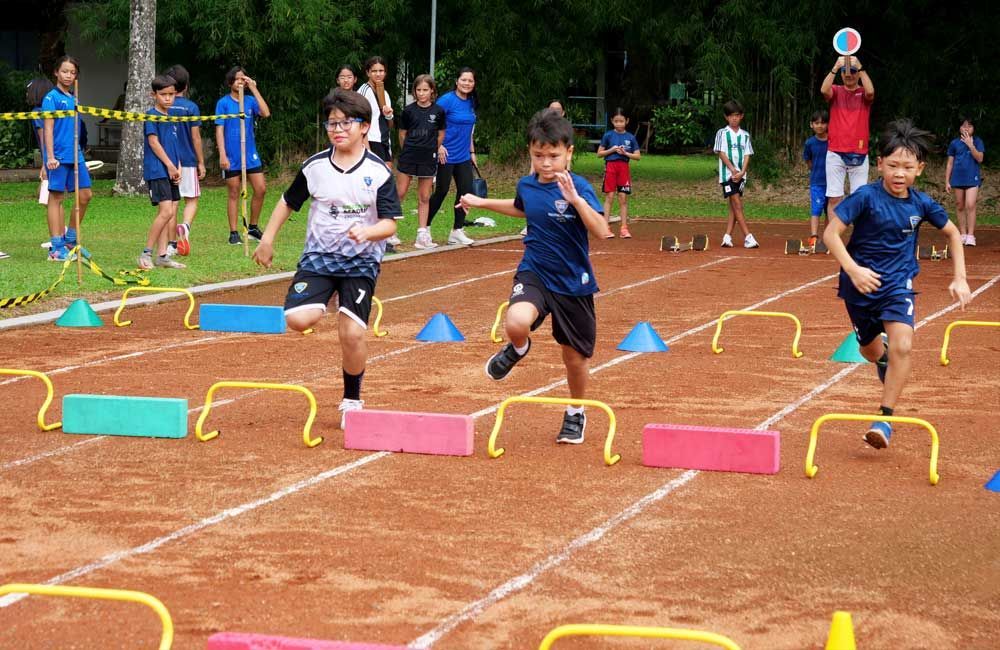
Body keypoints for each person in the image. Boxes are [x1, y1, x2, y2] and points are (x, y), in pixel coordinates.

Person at [252, 89, 401, 428]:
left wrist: (369, 232)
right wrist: (268, 239)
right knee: (298, 319)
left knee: (350, 334)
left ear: (364, 127)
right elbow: (288, 202)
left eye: (346, 123)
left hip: (361, 261)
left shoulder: (378, 172)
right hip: (319, 257)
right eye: (332, 123)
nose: (337, 129)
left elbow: (390, 223)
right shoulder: (315, 167)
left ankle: (351, 399)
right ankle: (327, 296)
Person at [458, 110, 607, 444]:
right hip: (536, 270)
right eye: (539, 155)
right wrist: (480, 202)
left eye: (553, 156)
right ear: (531, 153)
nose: (546, 163)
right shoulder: (527, 184)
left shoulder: (579, 186)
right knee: (515, 322)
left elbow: (601, 231)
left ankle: (575, 412)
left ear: (568, 153)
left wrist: (575, 200)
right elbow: (522, 207)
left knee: (574, 359)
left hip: (573, 282)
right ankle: (519, 348)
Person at [823, 119, 970, 449]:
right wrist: (854, 269)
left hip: (897, 285)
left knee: (904, 344)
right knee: (871, 350)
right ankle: (883, 357)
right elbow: (831, 234)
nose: (899, 173)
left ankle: (884, 419)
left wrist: (959, 278)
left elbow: (952, 234)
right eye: (892, 166)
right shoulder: (865, 197)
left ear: (919, 168)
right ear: (879, 165)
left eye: (907, 166)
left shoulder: (921, 204)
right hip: (858, 286)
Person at [42, 56, 92, 261]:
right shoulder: (50, 98)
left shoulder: (74, 98)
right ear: (56, 72)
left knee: (85, 195)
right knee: (56, 198)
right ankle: (55, 248)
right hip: (59, 156)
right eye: (65, 71)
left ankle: (71, 239)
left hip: (75, 154)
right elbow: (48, 128)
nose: (69, 76)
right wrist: (50, 157)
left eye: (72, 72)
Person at [215, 65, 270, 245]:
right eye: (238, 78)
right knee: (234, 191)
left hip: (250, 153)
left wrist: (254, 87)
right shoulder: (223, 103)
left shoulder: (249, 100)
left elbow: (265, 113)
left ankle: (252, 227)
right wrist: (222, 154)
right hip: (231, 154)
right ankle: (233, 232)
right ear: (231, 81)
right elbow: (219, 129)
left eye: (243, 78)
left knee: (260, 188)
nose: (241, 81)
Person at [138, 74, 186, 270]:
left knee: (171, 212)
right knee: (165, 212)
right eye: (163, 94)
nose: (168, 98)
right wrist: (169, 165)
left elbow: (174, 144)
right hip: (158, 169)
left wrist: (178, 165)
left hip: (172, 169)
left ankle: (163, 256)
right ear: (154, 94)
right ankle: (145, 254)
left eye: (171, 94)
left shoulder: (172, 117)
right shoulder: (151, 115)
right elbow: (154, 142)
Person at [427, 67, 479, 246]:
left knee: (466, 192)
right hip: (446, 154)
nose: (467, 83)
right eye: (463, 80)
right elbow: (432, 124)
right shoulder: (446, 100)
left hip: (463, 155)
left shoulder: (471, 101)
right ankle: (424, 229)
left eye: (470, 81)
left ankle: (457, 231)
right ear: (457, 81)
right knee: (441, 191)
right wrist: (438, 146)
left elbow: (469, 131)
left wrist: (472, 152)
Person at [821, 54, 874, 222]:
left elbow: (871, 91)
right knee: (834, 198)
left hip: (859, 152)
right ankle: (833, 239)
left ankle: (858, 241)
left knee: (859, 199)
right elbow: (824, 90)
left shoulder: (863, 93)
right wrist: (835, 68)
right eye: (845, 71)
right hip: (835, 152)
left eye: (852, 70)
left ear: (858, 72)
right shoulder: (836, 91)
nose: (849, 74)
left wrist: (860, 66)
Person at [397, 74, 446, 250]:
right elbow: (402, 134)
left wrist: (431, 149)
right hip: (409, 156)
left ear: (432, 91)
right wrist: (409, 149)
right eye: (419, 90)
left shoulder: (439, 111)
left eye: (425, 90)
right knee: (400, 193)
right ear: (414, 92)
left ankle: (422, 234)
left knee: (424, 196)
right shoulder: (408, 111)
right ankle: (389, 232)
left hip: (428, 158)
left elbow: (440, 134)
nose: (422, 93)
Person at [163, 64, 205, 256]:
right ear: (186, 86)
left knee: (172, 202)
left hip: (168, 161)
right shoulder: (191, 107)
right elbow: (196, 137)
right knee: (192, 199)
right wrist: (201, 162)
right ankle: (185, 226)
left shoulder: (164, 106)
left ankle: (171, 244)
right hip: (188, 160)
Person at [713, 100, 758, 248]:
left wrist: (743, 171)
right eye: (731, 115)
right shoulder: (722, 133)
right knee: (737, 204)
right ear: (726, 117)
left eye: (737, 115)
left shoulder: (745, 135)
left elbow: (747, 154)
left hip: (740, 176)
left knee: (734, 205)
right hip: (728, 175)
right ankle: (748, 236)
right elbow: (721, 152)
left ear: (741, 116)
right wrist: (732, 170)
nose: (734, 118)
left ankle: (727, 237)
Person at [596, 108, 641, 238]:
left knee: (623, 198)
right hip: (610, 167)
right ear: (612, 121)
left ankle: (624, 228)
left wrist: (625, 153)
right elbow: (599, 153)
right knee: (609, 196)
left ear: (626, 121)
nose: (619, 124)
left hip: (623, 168)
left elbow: (638, 156)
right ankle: (605, 227)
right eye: (616, 121)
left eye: (621, 121)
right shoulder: (608, 135)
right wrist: (612, 150)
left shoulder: (630, 137)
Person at [945, 117, 985, 246]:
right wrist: (947, 181)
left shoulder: (978, 141)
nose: (966, 128)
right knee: (959, 205)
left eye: (969, 126)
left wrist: (970, 145)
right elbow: (950, 163)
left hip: (972, 177)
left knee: (970, 204)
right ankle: (962, 234)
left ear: (974, 129)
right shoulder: (954, 143)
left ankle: (971, 235)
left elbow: (980, 158)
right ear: (960, 128)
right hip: (957, 178)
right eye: (963, 126)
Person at [27, 77, 54, 238]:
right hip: (54, 157)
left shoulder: (38, 113)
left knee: (51, 198)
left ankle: (59, 236)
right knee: (48, 197)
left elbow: (45, 139)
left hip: (51, 159)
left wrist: (45, 164)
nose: (26, 94)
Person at [802, 109, 830, 247]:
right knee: (816, 209)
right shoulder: (810, 143)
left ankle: (828, 239)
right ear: (811, 125)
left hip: (832, 183)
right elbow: (808, 160)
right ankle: (814, 237)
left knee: (829, 211)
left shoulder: (833, 141)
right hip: (817, 182)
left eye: (823, 123)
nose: (820, 126)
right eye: (817, 123)